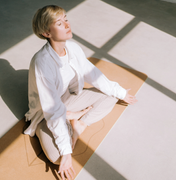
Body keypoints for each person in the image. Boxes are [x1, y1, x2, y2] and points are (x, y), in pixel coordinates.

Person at [23, 5, 137, 180]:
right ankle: (70, 116)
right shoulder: (42, 63)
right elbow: (52, 110)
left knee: (111, 97)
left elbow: (93, 74)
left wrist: (121, 92)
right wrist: (67, 152)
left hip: (68, 99)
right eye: (59, 23)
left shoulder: (73, 48)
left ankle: (78, 125)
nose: (67, 24)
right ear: (47, 33)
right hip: (45, 115)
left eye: (66, 19)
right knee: (59, 157)